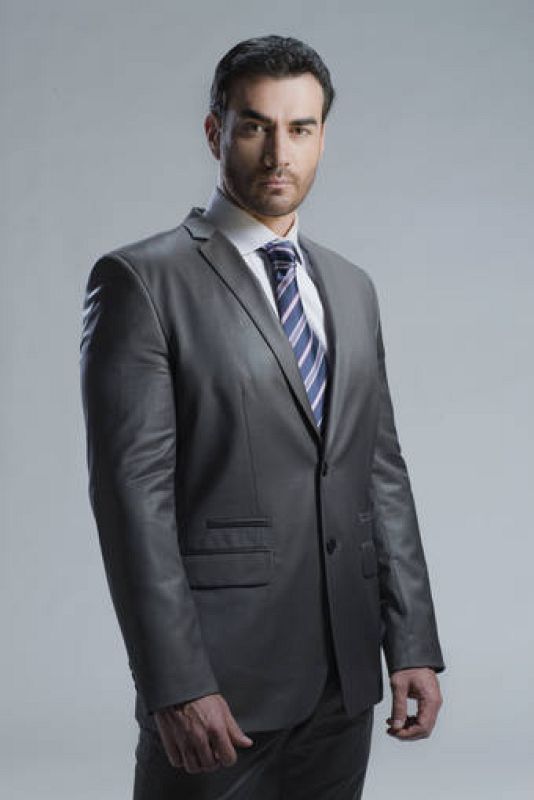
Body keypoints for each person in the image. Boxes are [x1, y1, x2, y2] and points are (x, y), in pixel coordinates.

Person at [80, 34, 445, 800]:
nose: (280, 153)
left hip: (344, 678)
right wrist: (175, 682)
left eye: (300, 128)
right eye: (255, 126)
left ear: (322, 137)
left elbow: (379, 472)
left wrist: (411, 640)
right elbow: (132, 502)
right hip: (220, 684)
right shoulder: (143, 282)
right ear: (216, 132)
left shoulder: (351, 287)